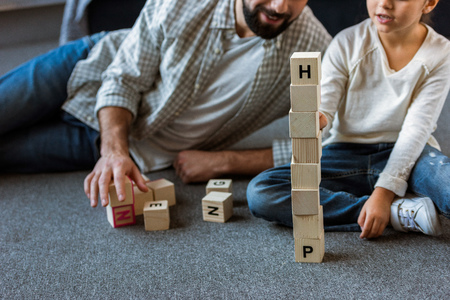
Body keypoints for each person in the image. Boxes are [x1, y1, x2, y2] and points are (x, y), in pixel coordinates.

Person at [0, 0, 331, 207]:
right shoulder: (181, 4)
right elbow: (124, 78)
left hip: (124, 145)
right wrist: (112, 152)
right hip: (90, 70)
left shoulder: (315, 46)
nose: (279, 6)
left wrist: (227, 161)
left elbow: (332, 144)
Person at [247, 0, 450, 239]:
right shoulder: (347, 42)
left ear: (429, 4)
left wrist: (384, 192)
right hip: (345, 154)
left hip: (410, 155)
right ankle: (397, 212)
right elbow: (326, 106)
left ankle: (387, 200)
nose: (384, 4)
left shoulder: (440, 51)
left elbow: (416, 129)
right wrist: (314, 118)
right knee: (262, 192)